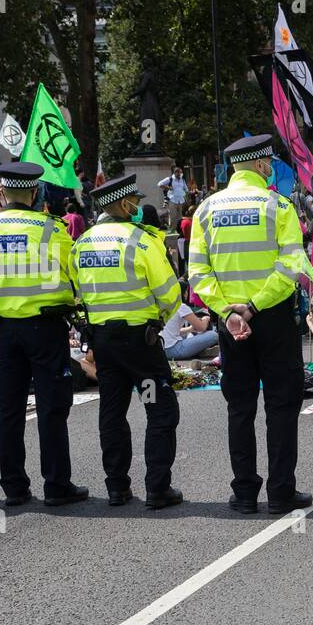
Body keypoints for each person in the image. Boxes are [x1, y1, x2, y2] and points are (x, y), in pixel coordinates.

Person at [189, 134, 312, 515]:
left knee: (239, 408)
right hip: (271, 317)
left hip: (229, 322)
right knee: (280, 404)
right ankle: (280, 492)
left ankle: (244, 493)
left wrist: (228, 312)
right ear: (261, 165)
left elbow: (197, 272)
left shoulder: (205, 210)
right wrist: (255, 306)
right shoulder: (279, 206)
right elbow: (291, 267)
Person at [0, 161, 87, 507]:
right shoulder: (51, 230)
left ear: (4, 193)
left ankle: (14, 487)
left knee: (10, 409)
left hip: (5, 330)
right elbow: (73, 276)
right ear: (36, 192)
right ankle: (56, 485)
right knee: (52, 408)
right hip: (45, 328)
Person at [72, 174, 184, 509]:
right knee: (158, 408)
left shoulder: (83, 243)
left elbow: (77, 292)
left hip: (105, 345)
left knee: (113, 410)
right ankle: (157, 488)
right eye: (134, 202)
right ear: (123, 204)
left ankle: (117, 487)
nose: (137, 207)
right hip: (140, 347)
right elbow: (169, 293)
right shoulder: (140, 241)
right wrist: (161, 318)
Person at [158, 166, 188, 230]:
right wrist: (168, 187)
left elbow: (186, 189)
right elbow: (159, 184)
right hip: (172, 200)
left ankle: (180, 230)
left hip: (180, 200)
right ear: (175, 173)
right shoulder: (170, 179)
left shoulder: (182, 180)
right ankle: (172, 230)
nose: (181, 174)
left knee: (180, 217)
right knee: (173, 216)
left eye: (181, 173)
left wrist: (188, 194)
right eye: (180, 173)